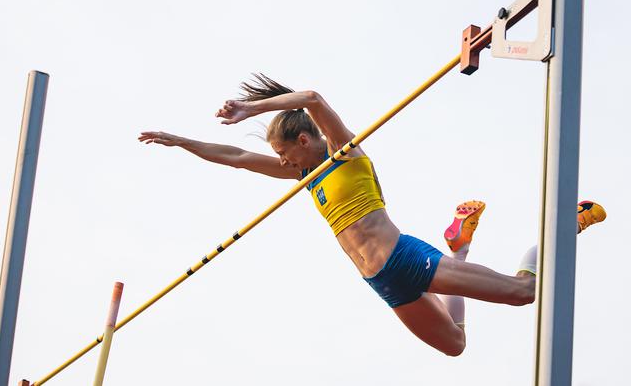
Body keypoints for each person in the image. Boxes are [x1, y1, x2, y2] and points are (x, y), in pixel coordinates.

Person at [138, 74, 606, 356]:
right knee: (456, 344)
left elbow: (314, 99)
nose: (281, 163)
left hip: (403, 258)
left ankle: (563, 227)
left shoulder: (345, 153)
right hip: (383, 282)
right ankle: (460, 246)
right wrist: (181, 141)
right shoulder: (305, 177)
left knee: (524, 292)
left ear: (304, 142)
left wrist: (251, 108)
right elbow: (235, 158)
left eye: (283, 153)